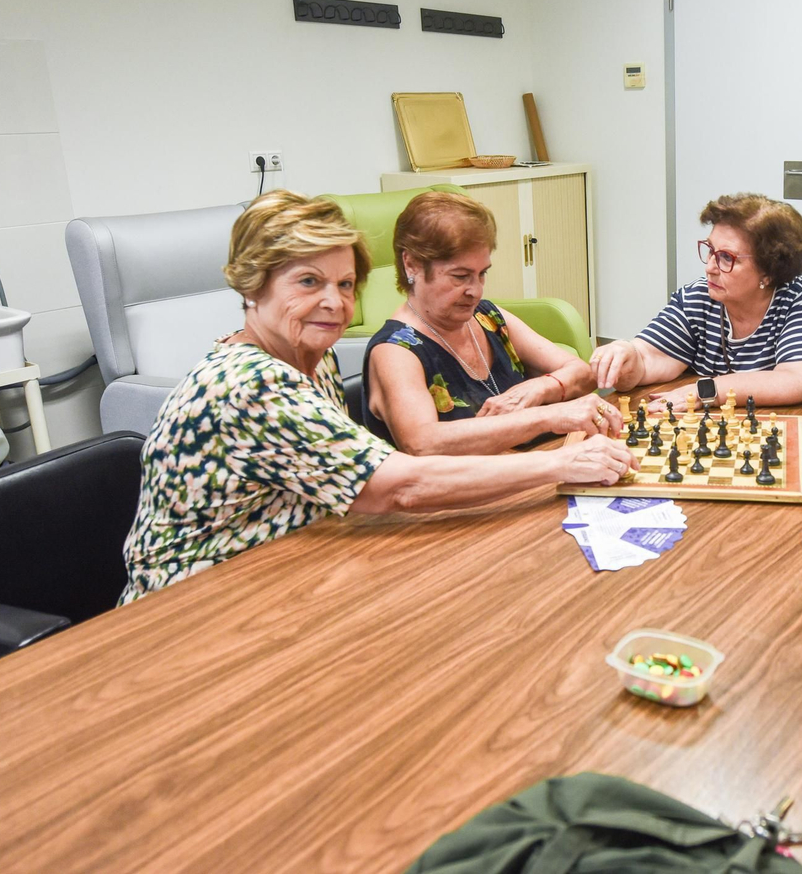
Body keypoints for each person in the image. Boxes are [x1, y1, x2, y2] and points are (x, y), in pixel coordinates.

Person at [120, 191, 634, 604]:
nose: (333, 302)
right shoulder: (251, 382)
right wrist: (559, 465)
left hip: (288, 571)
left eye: (345, 284)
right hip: (190, 607)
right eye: (308, 282)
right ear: (253, 286)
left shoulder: (312, 357)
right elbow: (400, 485)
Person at [363, 191, 621, 454]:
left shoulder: (487, 317)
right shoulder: (395, 350)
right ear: (412, 264)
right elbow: (423, 442)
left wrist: (539, 388)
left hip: (538, 463)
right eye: (460, 276)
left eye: (482, 274)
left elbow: (582, 373)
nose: (476, 291)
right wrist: (546, 417)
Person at [589, 193, 802, 411]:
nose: (710, 267)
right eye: (710, 250)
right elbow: (649, 358)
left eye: (726, 257)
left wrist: (707, 391)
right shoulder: (698, 296)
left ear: (768, 272)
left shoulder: (797, 298)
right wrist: (626, 356)